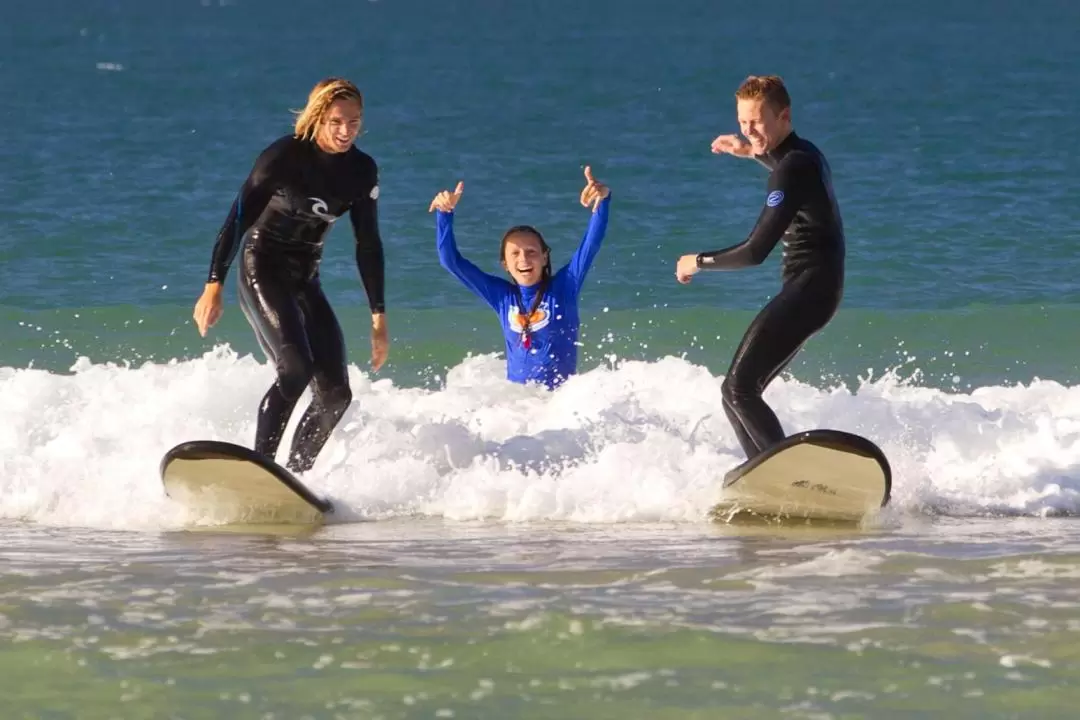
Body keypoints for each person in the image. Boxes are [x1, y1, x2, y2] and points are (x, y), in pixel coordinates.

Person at [191, 77, 389, 474]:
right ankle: (261, 467)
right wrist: (213, 284)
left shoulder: (361, 170)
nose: (346, 130)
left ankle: (295, 478)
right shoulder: (283, 157)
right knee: (295, 368)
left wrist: (378, 315)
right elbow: (238, 219)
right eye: (336, 121)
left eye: (354, 121)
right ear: (318, 117)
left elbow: (368, 243)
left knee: (336, 394)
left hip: (305, 277)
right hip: (262, 265)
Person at [675, 75, 845, 461]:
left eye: (756, 122)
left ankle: (790, 477)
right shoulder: (804, 154)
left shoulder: (792, 168)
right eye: (742, 122)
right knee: (733, 391)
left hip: (811, 289)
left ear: (784, 115)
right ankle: (764, 472)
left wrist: (698, 261)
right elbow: (781, 161)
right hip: (815, 289)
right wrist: (747, 150)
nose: (748, 130)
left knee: (739, 389)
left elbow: (755, 251)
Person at [427, 167, 611, 390]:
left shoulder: (565, 286)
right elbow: (451, 262)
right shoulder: (502, 297)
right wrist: (444, 214)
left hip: (560, 404)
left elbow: (590, 245)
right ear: (505, 264)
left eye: (531, 252)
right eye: (515, 253)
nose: (524, 258)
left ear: (545, 257)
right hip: (518, 406)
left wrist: (603, 199)